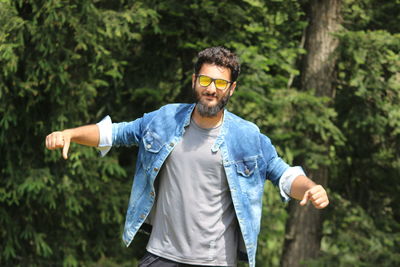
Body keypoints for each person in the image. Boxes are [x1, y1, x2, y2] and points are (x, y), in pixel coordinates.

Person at [46, 46, 329, 267]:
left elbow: (283, 173)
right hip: (161, 254)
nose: (211, 89)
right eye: (205, 80)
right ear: (195, 81)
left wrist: (311, 187)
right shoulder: (165, 119)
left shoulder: (247, 136)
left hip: (216, 260)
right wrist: (71, 133)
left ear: (231, 88)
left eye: (220, 83)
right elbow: (116, 133)